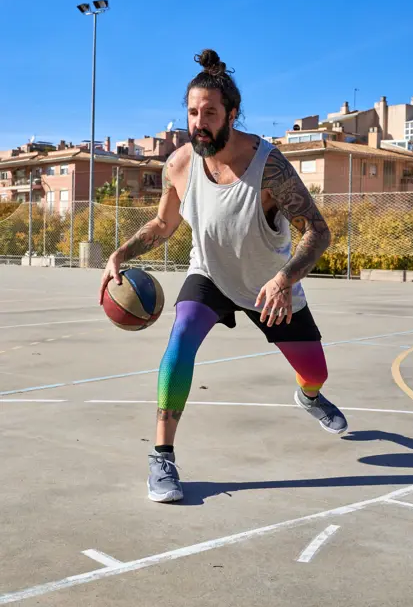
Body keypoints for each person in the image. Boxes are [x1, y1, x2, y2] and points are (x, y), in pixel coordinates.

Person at [100, 49, 348, 503]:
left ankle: (310, 397)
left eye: (210, 113)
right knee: (180, 341)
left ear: (232, 114)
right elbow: (163, 225)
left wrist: (284, 279)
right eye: (193, 112)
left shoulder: (267, 167)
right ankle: (162, 457)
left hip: (271, 287)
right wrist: (121, 251)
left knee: (315, 372)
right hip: (209, 276)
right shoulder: (178, 165)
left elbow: (318, 230)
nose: (199, 122)